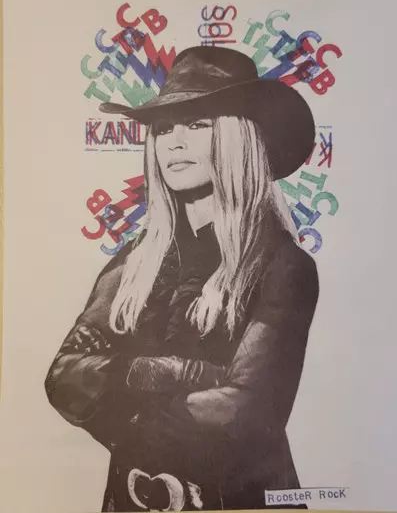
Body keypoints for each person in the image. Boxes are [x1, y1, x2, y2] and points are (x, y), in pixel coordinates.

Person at [45, 46, 319, 512]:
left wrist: (120, 390)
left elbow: (245, 411)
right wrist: (166, 372)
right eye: (163, 128)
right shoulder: (136, 261)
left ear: (238, 137)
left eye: (197, 125)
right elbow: (63, 377)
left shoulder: (282, 264)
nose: (174, 142)